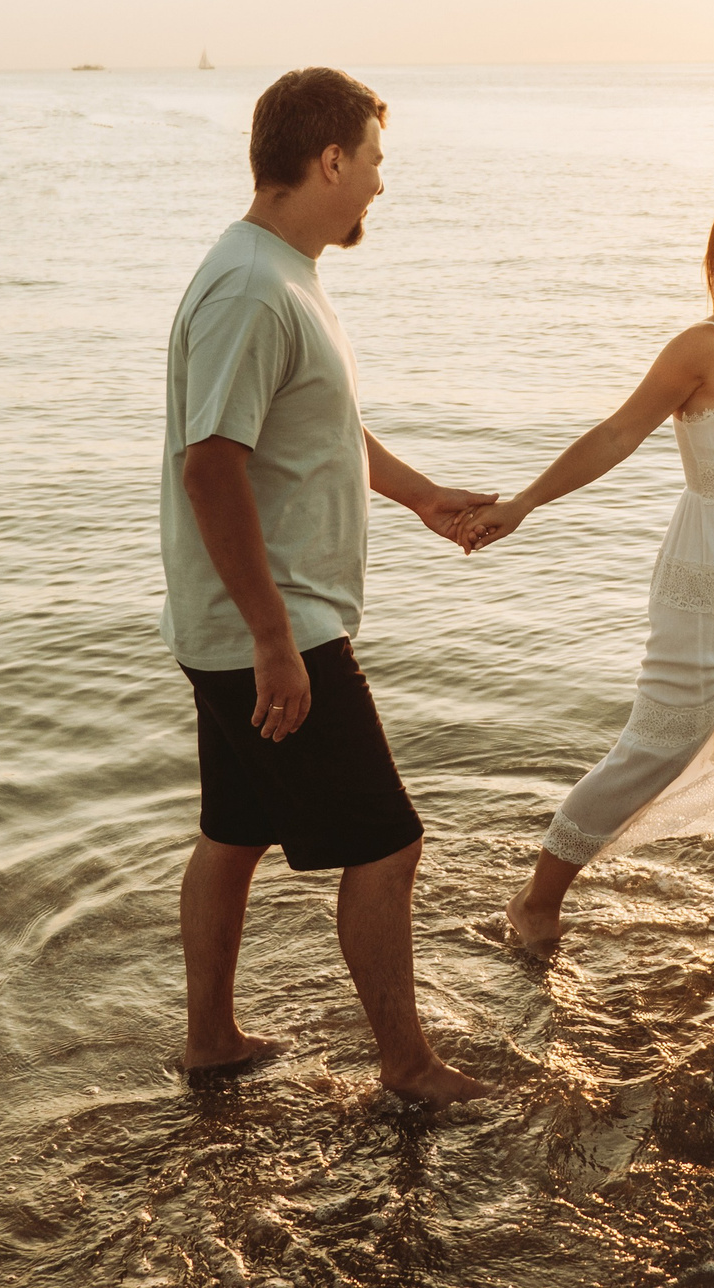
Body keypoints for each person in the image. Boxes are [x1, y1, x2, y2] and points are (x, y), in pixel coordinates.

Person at [160, 66, 494, 1104]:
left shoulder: (281, 273)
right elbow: (211, 462)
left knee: (233, 832)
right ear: (330, 159)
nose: (380, 189)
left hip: (248, 621)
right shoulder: (254, 287)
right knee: (388, 844)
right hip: (277, 625)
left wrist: (421, 497)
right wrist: (272, 638)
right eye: (375, 164)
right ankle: (407, 1067)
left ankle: (211, 1039)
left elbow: (320, 431)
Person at [458, 184, 714, 949]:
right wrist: (525, 502)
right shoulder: (703, 346)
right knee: (654, 749)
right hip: (708, 572)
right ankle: (537, 900)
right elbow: (617, 435)